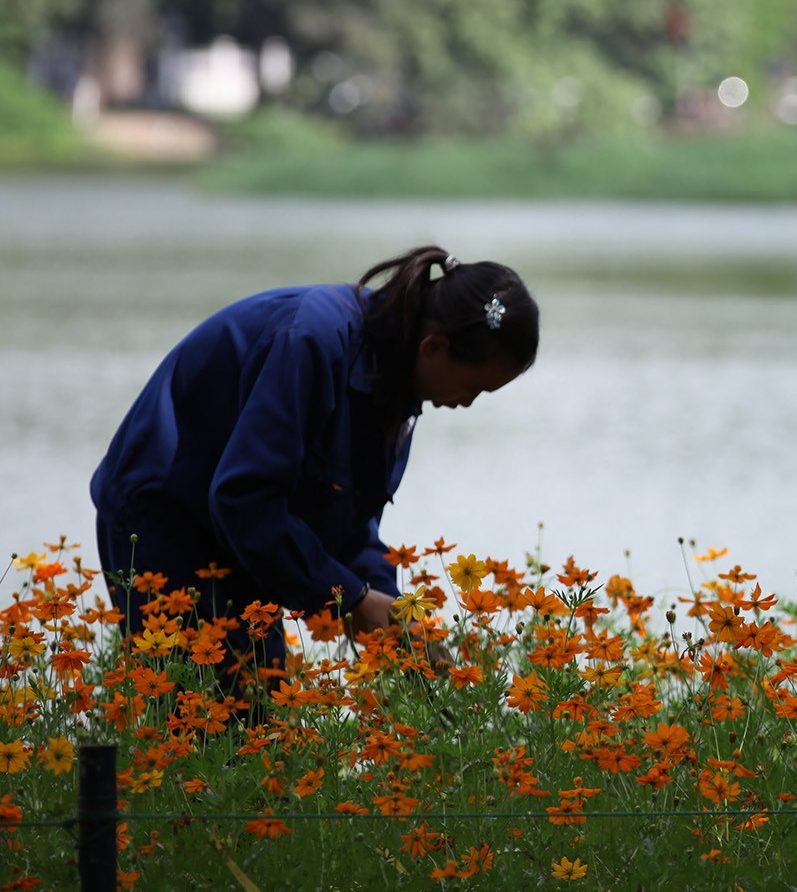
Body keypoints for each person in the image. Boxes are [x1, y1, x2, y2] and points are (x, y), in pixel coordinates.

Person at [89, 246, 538, 684]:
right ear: (434, 346)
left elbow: (346, 524)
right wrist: (353, 600)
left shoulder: (400, 378)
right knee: (209, 711)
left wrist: (392, 614)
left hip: (238, 529)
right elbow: (244, 498)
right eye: (473, 388)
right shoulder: (313, 341)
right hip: (163, 517)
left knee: (260, 704)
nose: (466, 403)